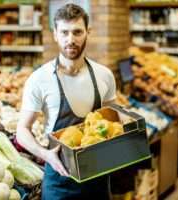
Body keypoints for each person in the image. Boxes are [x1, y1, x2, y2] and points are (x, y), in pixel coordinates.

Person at [16, 3, 116, 200]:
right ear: (55, 34)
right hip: (59, 183)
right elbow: (22, 130)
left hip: (98, 181)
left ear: (88, 32)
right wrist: (45, 155)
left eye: (77, 32)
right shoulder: (40, 79)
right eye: (65, 32)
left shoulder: (104, 76)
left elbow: (113, 120)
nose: (71, 40)